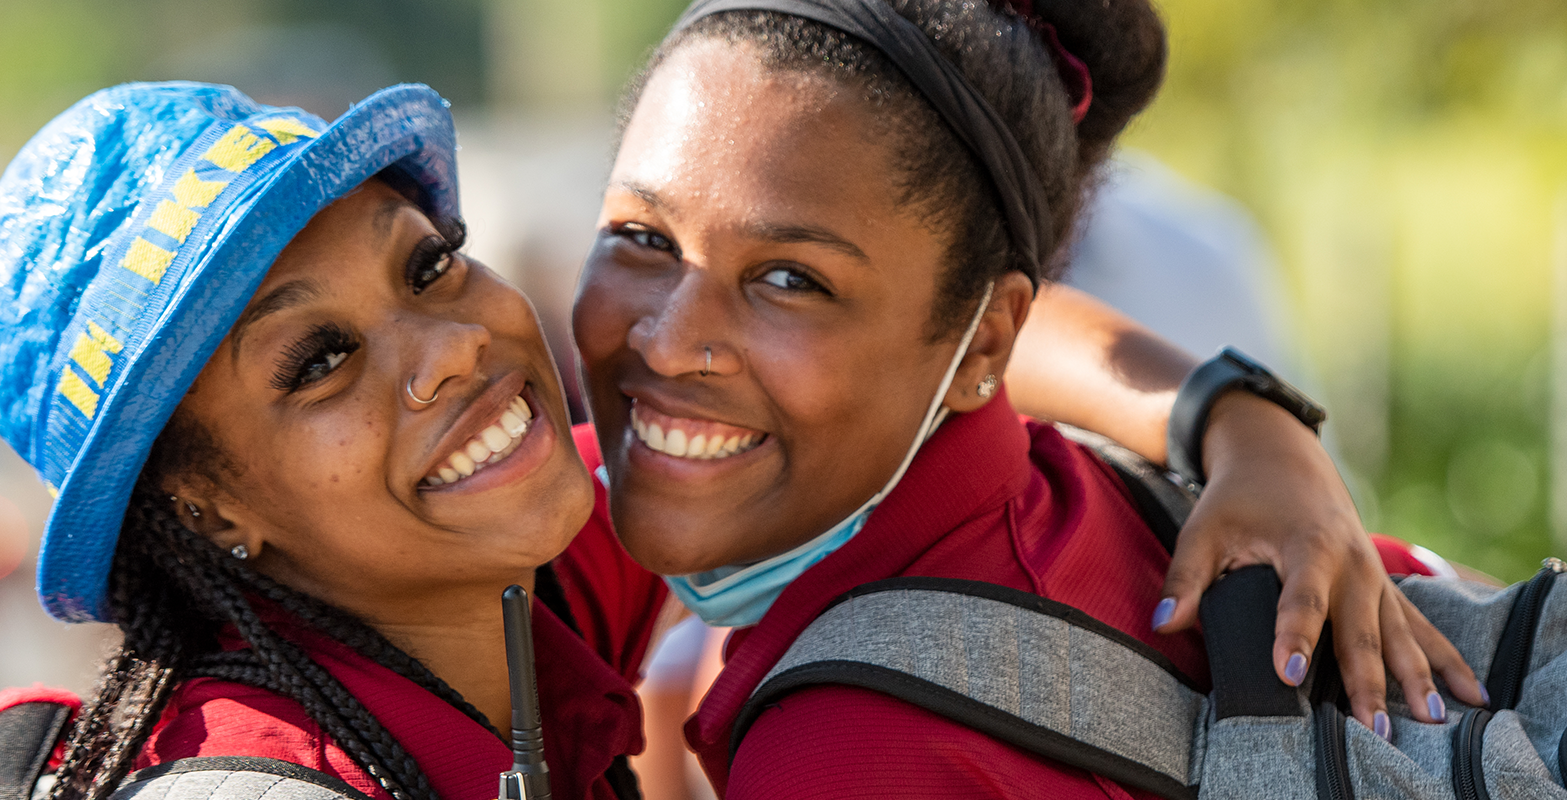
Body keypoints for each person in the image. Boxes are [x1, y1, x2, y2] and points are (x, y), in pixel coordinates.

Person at [0, 79, 1457, 800]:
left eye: (425, 267)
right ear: (210, 513)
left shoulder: (518, 584)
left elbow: (916, 344)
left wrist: (1244, 429)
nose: (453, 354)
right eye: (321, 361)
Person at [567, 0, 1487, 796]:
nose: (668, 338)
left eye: (790, 280)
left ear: (985, 339)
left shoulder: (856, 750)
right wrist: (1232, 413)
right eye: (642, 235)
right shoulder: (1110, 504)